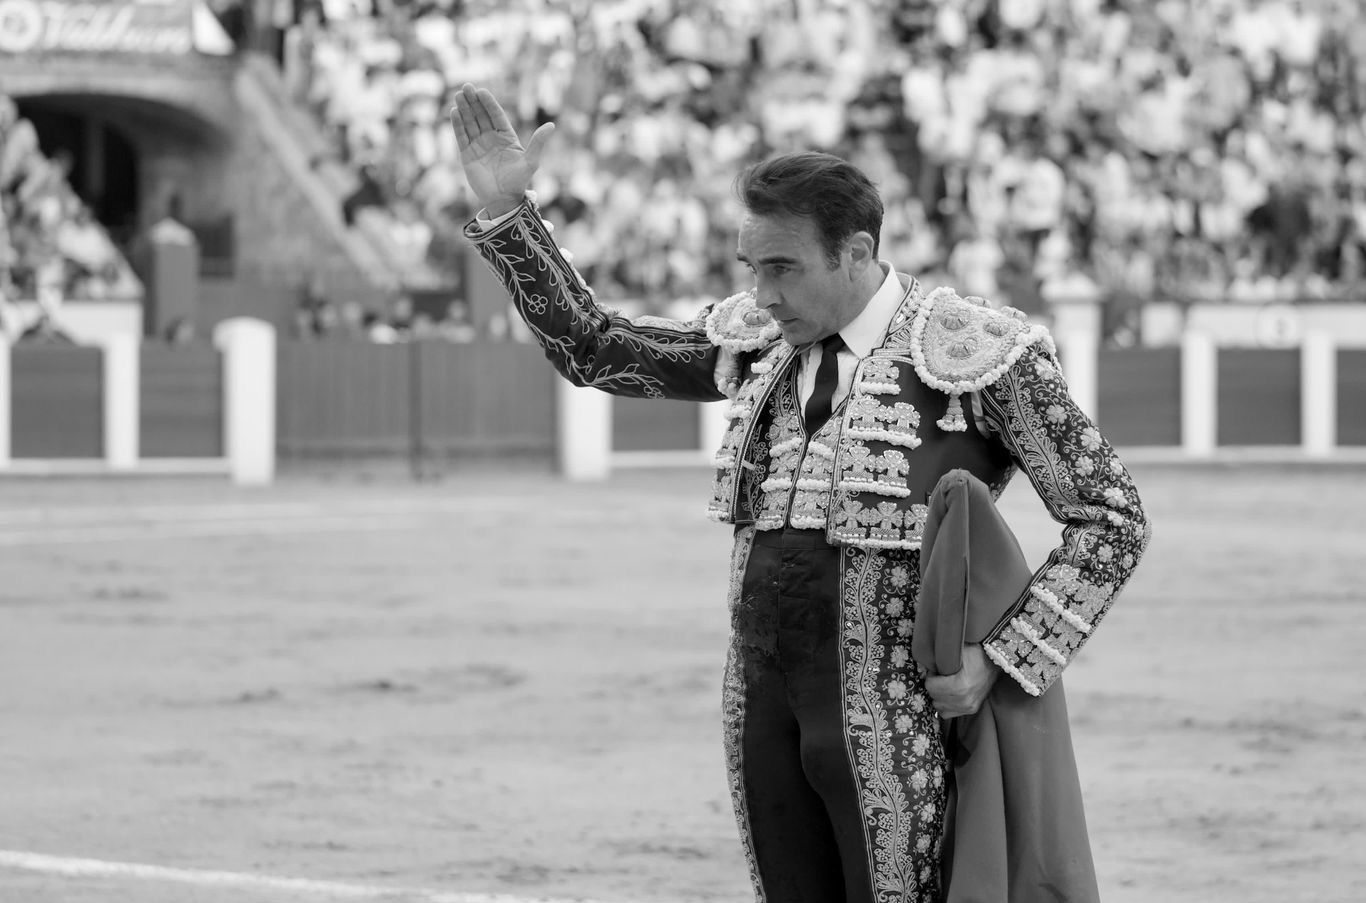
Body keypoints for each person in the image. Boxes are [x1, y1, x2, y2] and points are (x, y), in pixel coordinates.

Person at [450, 84, 1151, 903]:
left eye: (783, 267)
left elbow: (1111, 513)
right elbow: (598, 350)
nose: (763, 293)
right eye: (753, 267)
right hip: (762, 701)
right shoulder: (757, 344)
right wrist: (511, 217)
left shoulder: (974, 352)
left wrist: (1003, 659)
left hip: (899, 717)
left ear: (856, 252)